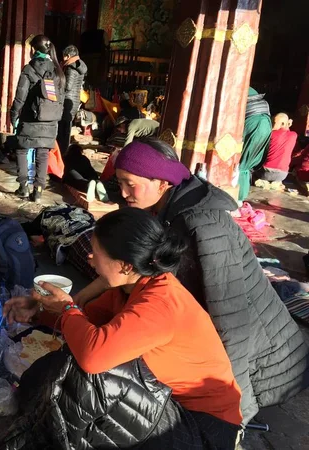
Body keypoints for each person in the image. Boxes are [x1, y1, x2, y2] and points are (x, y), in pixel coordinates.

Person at [64, 138, 309, 425]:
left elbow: (231, 316)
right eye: (120, 182)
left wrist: (237, 409)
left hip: (262, 347)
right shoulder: (163, 210)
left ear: (163, 183)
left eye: (131, 183)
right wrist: (98, 287)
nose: (125, 192)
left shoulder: (206, 226)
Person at [3, 208, 242, 449]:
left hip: (201, 427)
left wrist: (66, 309)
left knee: (89, 378)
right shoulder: (129, 288)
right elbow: (85, 323)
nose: (90, 259)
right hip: (163, 401)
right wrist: (39, 312)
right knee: (68, 360)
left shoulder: (160, 303)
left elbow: (93, 355)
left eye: (96, 254)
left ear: (126, 266)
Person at [10, 35, 66, 203]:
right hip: (50, 120)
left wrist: (13, 115)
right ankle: (39, 191)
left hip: (30, 119)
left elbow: (20, 96)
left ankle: (23, 188)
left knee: (21, 149)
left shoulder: (29, 69)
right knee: (42, 153)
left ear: (34, 50)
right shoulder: (58, 71)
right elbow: (61, 98)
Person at [239, 88, 272, 201]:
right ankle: (239, 198)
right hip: (262, 123)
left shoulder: (240, 88)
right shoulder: (264, 119)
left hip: (254, 124)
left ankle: (238, 196)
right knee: (245, 165)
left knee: (241, 164)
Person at [57, 45, 87, 155]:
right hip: (73, 101)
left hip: (67, 101)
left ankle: (61, 154)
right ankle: (63, 153)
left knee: (62, 131)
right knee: (66, 129)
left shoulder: (71, 67)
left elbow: (68, 86)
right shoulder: (79, 65)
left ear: (68, 56)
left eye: (64, 56)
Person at [255, 112, 297, 184]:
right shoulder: (294, 135)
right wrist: (287, 125)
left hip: (265, 172)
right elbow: (286, 131)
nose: (272, 125)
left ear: (282, 124)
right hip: (282, 175)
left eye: (274, 122)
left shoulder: (271, 134)